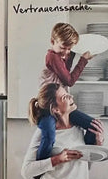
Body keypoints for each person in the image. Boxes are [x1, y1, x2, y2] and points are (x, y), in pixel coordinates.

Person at [36, 23, 103, 167]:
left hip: (62, 106)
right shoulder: (52, 57)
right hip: (47, 107)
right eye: (63, 48)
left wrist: (73, 53)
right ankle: (39, 174)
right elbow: (69, 80)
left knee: (94, 125)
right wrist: (83, 59)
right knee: (49, 137)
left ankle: (84, 157)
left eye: (69, 49)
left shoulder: (62, 56)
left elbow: (66, 71)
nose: (65, 52)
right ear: (52, 42)